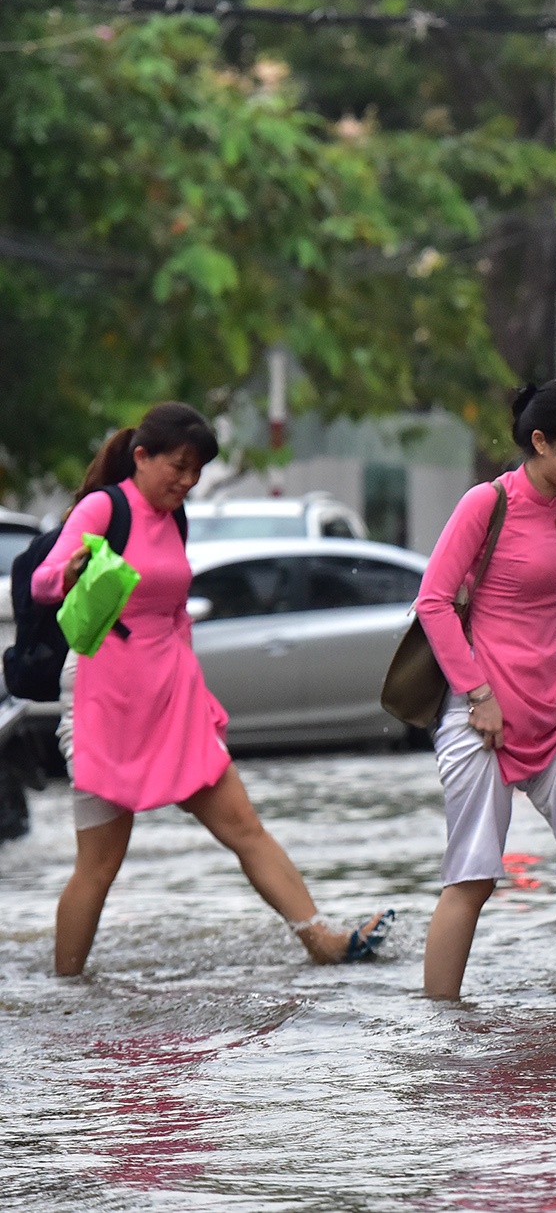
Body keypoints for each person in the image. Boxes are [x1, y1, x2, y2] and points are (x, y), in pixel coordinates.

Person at [33, 403, 392, 975]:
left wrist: (197, 694)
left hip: (171, 695)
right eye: (178, 466)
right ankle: (66, 988)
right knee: (99, 864)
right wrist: (69, 571)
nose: (188, 481)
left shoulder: (175, 518)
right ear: (142, 457)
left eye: (197, 470)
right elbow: (43, 581)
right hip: (104, 695)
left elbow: (175, 616)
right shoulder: (107, 507)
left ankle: (321, 939)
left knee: (244, 827)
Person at [417, 381, 556, 1000]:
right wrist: (477, 695)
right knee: (474, 876)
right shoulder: (485, 505)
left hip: (552, 716)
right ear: (540, 442)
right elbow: (433, 602)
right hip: (480, 719)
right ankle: (441, 1024)